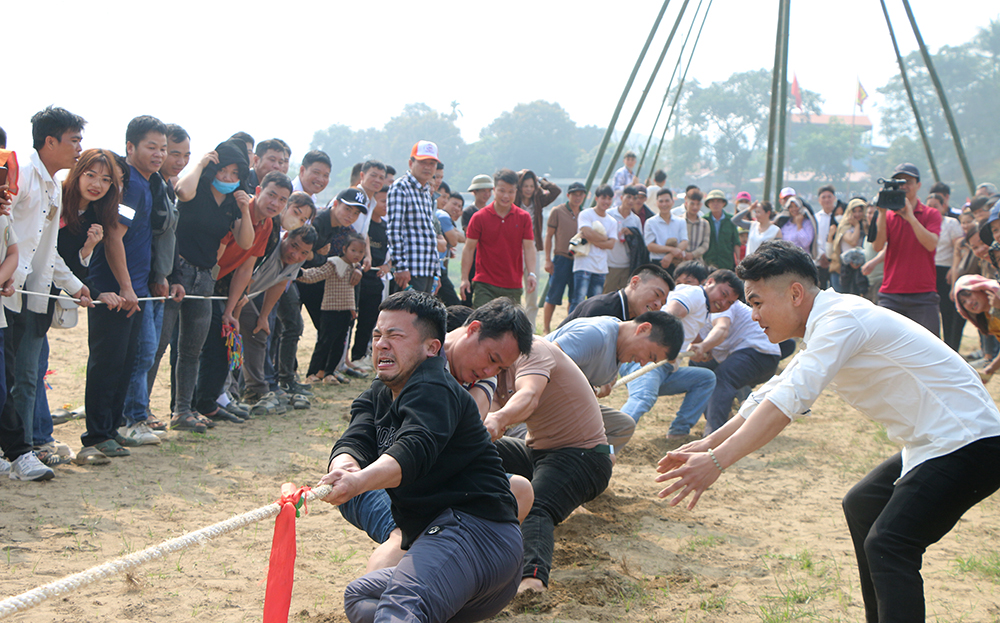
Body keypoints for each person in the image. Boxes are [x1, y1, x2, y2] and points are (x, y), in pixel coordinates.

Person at [657, 240, 1000, 623]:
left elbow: (787, 403)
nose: (753, 316)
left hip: (969, 441)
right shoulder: (827, 323)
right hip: (939, 441)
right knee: (864, 505)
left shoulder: (841, 320)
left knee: (891, 543)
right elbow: (774, 392)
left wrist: (717, 462)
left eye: (756, 302)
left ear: (796, 293)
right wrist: (706, 443)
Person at [320, 291, 522, 623]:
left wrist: (357, 482)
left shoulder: (434, 386)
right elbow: (354, 440)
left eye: (395, 335)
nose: (382, 344)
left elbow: (414, 448)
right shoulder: (378, 393)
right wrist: (344, 467)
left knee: (400, 607)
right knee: (363, 596)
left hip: (474, 533)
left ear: (431, 348)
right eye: (377, 335)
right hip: (452, 548)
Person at [486, 334, 614, 595]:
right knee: (480, 450)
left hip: (585, 456)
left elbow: (528, 394)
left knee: (536, 507)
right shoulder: (489, 369)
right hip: (538, 451)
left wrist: (498, 418)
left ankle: (532, 583)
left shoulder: (532, 350)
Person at [2, 107, 91, 482]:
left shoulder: (54, 185)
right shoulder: (19, 173)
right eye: (74, 140)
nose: (79, 148)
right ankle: (21, 451)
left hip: (33, 294)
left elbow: (47, 248)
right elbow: (7, 228)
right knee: (11, 377)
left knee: (25, 376)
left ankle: (22, 449)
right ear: (50, 141)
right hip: (8, 291)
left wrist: (74, 285)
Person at [81, 116, 166, 460]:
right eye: (151, 147)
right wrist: (127, 286)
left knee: (126, 361)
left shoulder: (147, 183)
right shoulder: (129, 184)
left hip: (134, 289)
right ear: (130, 147)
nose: (158, 154)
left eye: (163, 148)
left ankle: (112, 429)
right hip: (113, 291)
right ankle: (98, 435)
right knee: (107, 362)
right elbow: (114, 233)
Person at [163, 138, 255, 433]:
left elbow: (246, 242)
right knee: (159, 345)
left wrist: (244, 209)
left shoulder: (231, 204)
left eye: (234, 174)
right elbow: (181, 190)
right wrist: (201, 162)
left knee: (192, 349)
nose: (228, 179)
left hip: (205, 278)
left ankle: (183, 411)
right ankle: (138, 413)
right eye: (222, 171)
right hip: (176, 273)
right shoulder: (197, 188)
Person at [192, 171, 291, 420]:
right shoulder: (235, 210)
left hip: (227, 287)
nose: (275, 204)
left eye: (282, 200)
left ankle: (213, 401)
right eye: (271, 195)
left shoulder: (268, 224)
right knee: (206, 346)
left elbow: (246, 267)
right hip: (204, 281)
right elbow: (215, 256)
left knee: (226, 340)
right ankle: (199, 404)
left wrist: (231, 309)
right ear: (258, 191)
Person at [619, 271, 743, 435]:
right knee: (643, 397)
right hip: (648, 358)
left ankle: (679, 432)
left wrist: (701, 347)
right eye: (723, 294)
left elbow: (689, 330)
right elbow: (668, 316)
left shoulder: (702, 305)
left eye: (730, 302)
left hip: (666, 368)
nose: (723, 302)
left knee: (706, 379)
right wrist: (665, 348)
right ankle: (608, 439)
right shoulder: (696, 295)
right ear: (710, 282)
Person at [546, 311, 684, 450]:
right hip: (539, 406)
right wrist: (586, 391)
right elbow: (544, 365)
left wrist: (605, 381)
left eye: (650, 361)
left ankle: (598, 460)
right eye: (649, 355)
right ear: (643, 329)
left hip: (567, 409)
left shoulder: (620, 341)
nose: (643, 363)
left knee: (623, 426)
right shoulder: (596, 335)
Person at [688, 300, 782, 434]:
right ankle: (724, 421)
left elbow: (722, 328)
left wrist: (704, 347)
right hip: (738, 354)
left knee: (722, 380)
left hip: (761, 353)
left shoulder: (720, 302)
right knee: (699, 372)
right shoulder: (691, 311)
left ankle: (714, 434)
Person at [873, 163, 942, 335]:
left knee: (929, 349)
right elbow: (877, 246)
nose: (903, 186)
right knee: (886, 348)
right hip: (891, 293)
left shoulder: (931, 214)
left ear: (918, 185)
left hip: (923, 294)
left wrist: (910, 217)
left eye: (908, 182)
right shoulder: (887, 216)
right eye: (898, 182)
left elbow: (931, 244)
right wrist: (881, 213)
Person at [460, 169, 536, 308]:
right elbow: (469, 249)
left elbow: (529, 247)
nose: (506, 196)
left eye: (511, 192)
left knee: (508, 328)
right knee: (481, 324)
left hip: (513, 285)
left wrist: (531, 273)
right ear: (494, 190)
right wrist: (464, 278)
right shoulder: (479, 217)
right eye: (502, 191)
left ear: (516, 192)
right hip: (484, 284)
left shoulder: (523, 217)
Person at [298, 231, 366, 383]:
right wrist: (299, 273)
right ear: (344, 249)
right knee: (324, 343)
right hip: (330, 310)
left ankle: (329, 372)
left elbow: (351, 292)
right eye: (353, 250)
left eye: (361, 252)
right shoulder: (334, 263)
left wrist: (353, 309)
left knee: (339, 345)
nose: (357, 254)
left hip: (346, 312)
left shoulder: (355, 267)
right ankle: (312, 373)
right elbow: (317, 274)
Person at [387, 141, 441, 294]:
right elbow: (394, 230)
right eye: (423, 162)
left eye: (432, 163)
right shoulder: (401, 187)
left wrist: (436, 273)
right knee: (408, 316)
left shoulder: (425, 191)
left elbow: (427, 232)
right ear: (411, 163)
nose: (428, 167)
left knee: (423, 317)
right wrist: (401, 266)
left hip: (427, 269)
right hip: (410, 270)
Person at [351, 185, 391, 370]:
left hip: (375, 279)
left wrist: (387, 266)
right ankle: (345, 359)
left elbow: (391, 257)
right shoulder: (363, 224)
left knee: (369, 321)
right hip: (359, 276)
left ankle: (360, 355)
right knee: (350, 319)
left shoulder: (386, 227)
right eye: (382, 201)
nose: (386, 205)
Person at [561, 263, 674, 326]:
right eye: (657, 294)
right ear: (635, 283)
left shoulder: (638, 321)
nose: (658, 305)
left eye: (663, 303)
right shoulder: (601, 310)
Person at [516, 170, 561, 327]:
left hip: (532, 248)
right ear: (519, 186)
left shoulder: (538, 200)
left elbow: (556, 191)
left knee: (532, 291)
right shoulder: (513, 201)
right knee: (513, 289)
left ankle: (530, 327)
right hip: (514, 249)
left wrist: (541, 180)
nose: (528, 189)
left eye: (531, 186)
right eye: (525, 186)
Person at [542, 182, 585, 332]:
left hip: (579, 259)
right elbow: (549, 236)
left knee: (575, 298)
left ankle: (568, 328)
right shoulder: (558, 211)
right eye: (574, 194)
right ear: (568, 196)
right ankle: (546, 328)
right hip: (561, 258)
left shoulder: (585, 214)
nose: (577, 197)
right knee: (553, 296)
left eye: (580, 194)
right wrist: (548, 259)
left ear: (585, 196)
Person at [928, 192, 966, 351]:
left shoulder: (951, 223)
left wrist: (953, 269)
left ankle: (951, 348)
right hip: (928, 270)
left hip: (946, 271)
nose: (932, 209)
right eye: (929, 206)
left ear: (943, 206)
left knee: (947, 311)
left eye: (935, 206)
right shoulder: (921, 223)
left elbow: (958, 249)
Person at [570, 184, 618, 308]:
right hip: (583, 264)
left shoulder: (612, 221)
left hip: (600, 268)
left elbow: (611, 244)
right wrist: (604, 238)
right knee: (578, 301)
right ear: (597, 198)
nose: (606, 201)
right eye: (603, 198)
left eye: (609, 198)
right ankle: (572, 327)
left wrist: (592, 239)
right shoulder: (586, 214)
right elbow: (586, 232)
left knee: (595, 303)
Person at [952, 275, 1000, 381]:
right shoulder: (988, 318)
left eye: (969, 294)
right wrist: (990, 369)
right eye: (963, 302)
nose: (969, 302)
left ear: (981, 289)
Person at [604, 185, 643, 292]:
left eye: (634, 198)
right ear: (621, 198)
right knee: (606, 295)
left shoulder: (635, 220)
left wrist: (632, 233)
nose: (631, 201)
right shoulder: (609, 214)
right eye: (628, 197)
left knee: (626, 298)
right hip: (609, 264)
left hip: (627, 265)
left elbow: (640, 242)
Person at [644, 187, 688, 273]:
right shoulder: (650, 222)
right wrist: (672, 250)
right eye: (661, 201)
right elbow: (650, 246)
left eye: (667, 201)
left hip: (677, 262)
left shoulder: (680, 221)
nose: (664, 204)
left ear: (672, 202)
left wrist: (670, 255)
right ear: (657, 203)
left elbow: (685, 242)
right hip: (658, 262)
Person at [827, 198, 865, 293]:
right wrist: (856, 226)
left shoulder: (865, 225)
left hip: (861, 269)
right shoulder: (845, 226)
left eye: (860, 211)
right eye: (854, 211)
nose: (857, 214)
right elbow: (853, 241)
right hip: (843, 270)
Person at [702, 190, 740, 270]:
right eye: (712, 201)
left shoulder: (731, 220)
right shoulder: (703, 220)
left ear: (724, 203)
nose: (715, 204)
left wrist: (738, 260)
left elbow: (736, 242)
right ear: (708, 204)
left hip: (727, 262)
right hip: (708, 262)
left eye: (719, 201)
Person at [813, 185, 839, 289]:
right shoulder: (815, 218)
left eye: (829, 196)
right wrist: (821, 255)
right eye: (823, 197)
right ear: (819, 200)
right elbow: (813, 239)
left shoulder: (839, 217)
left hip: (836, 261)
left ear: (834, 198)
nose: (827, 199)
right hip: (820, 260)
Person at [680, 190, 709, 263]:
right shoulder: (679, 221)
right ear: (686, 203)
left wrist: (692, 255)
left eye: (698, 204)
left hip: (698, 262)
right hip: (680, 261)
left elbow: (705, 244)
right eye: (692, 204)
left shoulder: (705, 224)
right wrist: (684, 254)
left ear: (701, 205)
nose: (695, 207)